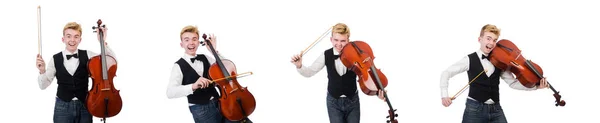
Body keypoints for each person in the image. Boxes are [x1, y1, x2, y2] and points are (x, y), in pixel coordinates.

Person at [439, 24, 549, 123]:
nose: (491, 43)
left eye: (495, 40)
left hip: (496, 109)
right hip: (474, 110)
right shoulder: (469, 59)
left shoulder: (501, 61)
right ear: (480, 39)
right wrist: (444, 95)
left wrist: (536, 87)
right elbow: (446, 73)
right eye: (488, 38)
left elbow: (513, 83)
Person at [290, 23, 386, 123]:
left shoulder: (357, 55)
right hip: (333, 102)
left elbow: (368, 73)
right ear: (331, 39)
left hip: (352, 101)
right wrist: (299, 66)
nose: (339, 44)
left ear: (348, 40)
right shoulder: (326, 55)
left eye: (343, 41)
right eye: (336, 40)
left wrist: (378, 91)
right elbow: (309, 72)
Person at [166, 25, 252, 123]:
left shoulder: (206, 57)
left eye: (194, 39)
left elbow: (226, 67)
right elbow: (170, 92)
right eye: (187, 40)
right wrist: (193, 86)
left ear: (198, 42)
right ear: (182, 44)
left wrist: (213, 51)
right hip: (201, 110)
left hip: (222, 102)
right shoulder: (178, 66)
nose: (191, 42)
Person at [36, 22, 114, 123]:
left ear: (80, 40)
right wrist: (42, 71)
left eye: (76, 36)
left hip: (85, 105)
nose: (72, 40)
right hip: (62, 107)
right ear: (63, 39)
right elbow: (43, 86)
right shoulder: (55, 59)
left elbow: (110, 63)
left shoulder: (88, 55)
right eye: (69, 36)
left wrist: (102, 42)